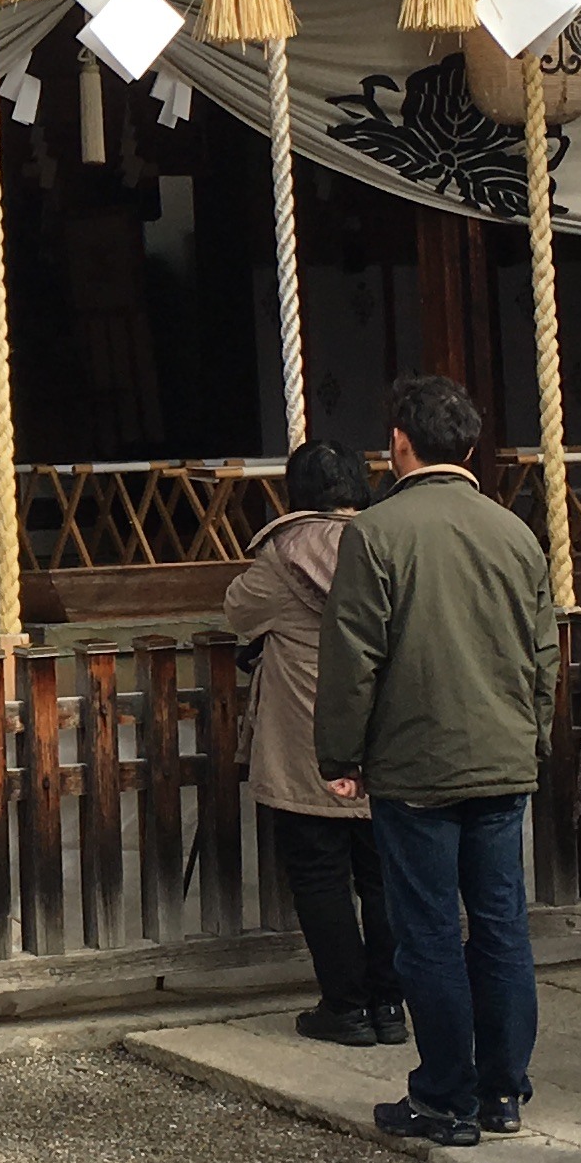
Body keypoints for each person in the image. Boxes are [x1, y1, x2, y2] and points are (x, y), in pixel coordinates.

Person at [313, 372, 558, 1152]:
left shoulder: (378, 533)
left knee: (427, 933)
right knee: (500, 925)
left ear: (398, 445)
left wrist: (339, 752)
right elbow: (543, 649)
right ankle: (504, 1089)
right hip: (502, 750)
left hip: (416, 758)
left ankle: (445, 1092)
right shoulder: (514, 532)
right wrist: (534, 731)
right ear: (473, 444)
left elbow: (354, 655)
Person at [225, 439, 404, 1050]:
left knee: (321, 877)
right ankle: (390, 1004)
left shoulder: (282, 554)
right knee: (384, 877)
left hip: (308, 740)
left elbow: (238, 612)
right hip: (387, 735)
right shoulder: (391, 540)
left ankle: (346, 1007)